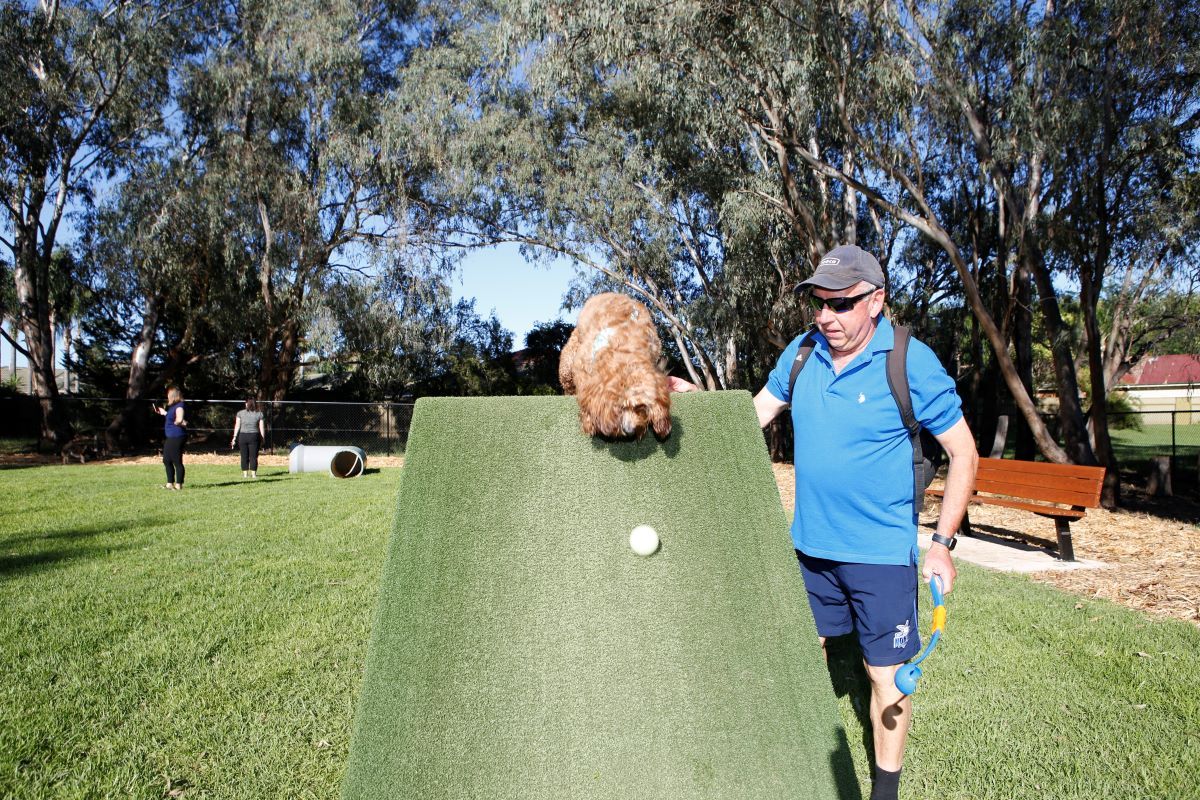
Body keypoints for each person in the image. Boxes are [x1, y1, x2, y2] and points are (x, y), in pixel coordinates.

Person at [672, 244, 977, 800]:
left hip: (880, 556)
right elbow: (753, 416)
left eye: (842, 304)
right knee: (798, 655)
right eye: (819, 303)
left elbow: (964, 452)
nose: (826, 316)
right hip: (809, 549)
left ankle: (885, 791)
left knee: (884, 676)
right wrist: (702, 403)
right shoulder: (803, 352)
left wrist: (941, 544)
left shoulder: (908, 361)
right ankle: (792, 764)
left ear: (877, 300)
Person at [152, 386, 188, 490]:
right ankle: (169, 483)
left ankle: (178, 485)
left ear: (173, 395)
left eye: (168, 394)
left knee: (177, 461)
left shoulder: (180, 406)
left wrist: (178, 422)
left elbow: (180, 419)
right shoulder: (173, 407)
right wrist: (164, 413)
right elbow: (173, 417)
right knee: (166, 460)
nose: (167, 396)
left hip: (177, 436)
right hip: (171, 436)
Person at [230, 398, 266, 479]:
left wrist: (234, 437)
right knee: (253, 456)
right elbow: (261, 428)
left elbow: (237, 426)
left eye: (246, 403)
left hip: (243, 436)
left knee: (244, 456)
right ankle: (253, 474)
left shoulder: (240, 413)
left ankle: (245, 474)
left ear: (247, 404)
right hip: (254, 436)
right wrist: (263, 439)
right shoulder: (259, 414)